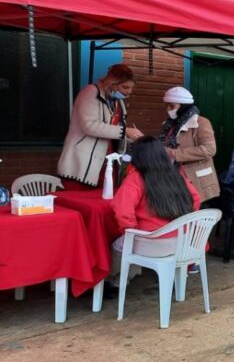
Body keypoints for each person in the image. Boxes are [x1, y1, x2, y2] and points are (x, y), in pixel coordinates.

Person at [109, 136, 201, 288]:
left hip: (151, 242)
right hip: (182, 242)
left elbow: (122, 211)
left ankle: (117, 281)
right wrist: (183, 221)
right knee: (128, 243)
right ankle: (126, 277)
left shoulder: (136, 178)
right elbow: (195, 199)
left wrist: (131, 231)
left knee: (119, 246)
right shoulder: (177, 175)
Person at [58, 64, 144, 189]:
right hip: (83, 161)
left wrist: (134, 138)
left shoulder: (117, 101)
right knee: (79, 196)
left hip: (107, 160)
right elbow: (90, 126)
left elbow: (115, 130)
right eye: (125, 87)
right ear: (112, 82)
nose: (129, 92)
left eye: (131, 88)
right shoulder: (90, 92)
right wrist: (125, 131)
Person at [159, 87, 220, 203]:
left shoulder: (201, 122)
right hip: (171, 178)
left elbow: (210, 149)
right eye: (166, 106)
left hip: (195, 180)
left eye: (172, 106)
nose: (168, 109)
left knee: (193, 211)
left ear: (183, 106)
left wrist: (174, 153)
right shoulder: (168, 124)